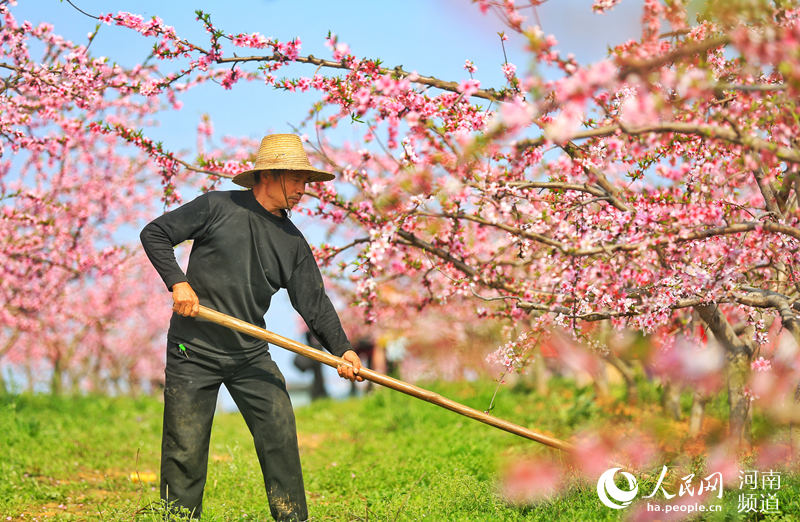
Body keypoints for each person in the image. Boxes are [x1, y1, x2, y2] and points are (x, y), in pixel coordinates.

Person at [140, 134, 364, 521]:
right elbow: (155, 234)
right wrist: (178, 282)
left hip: (249, 354)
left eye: (306, 182)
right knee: (185, 450)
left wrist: (342, 349)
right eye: (295, 179)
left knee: (280, 435)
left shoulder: (292, 242)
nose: (302, 190)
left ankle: (292, 518)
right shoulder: (217, 206)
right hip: (192, 351)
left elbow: (314, 303)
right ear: (269, 175)